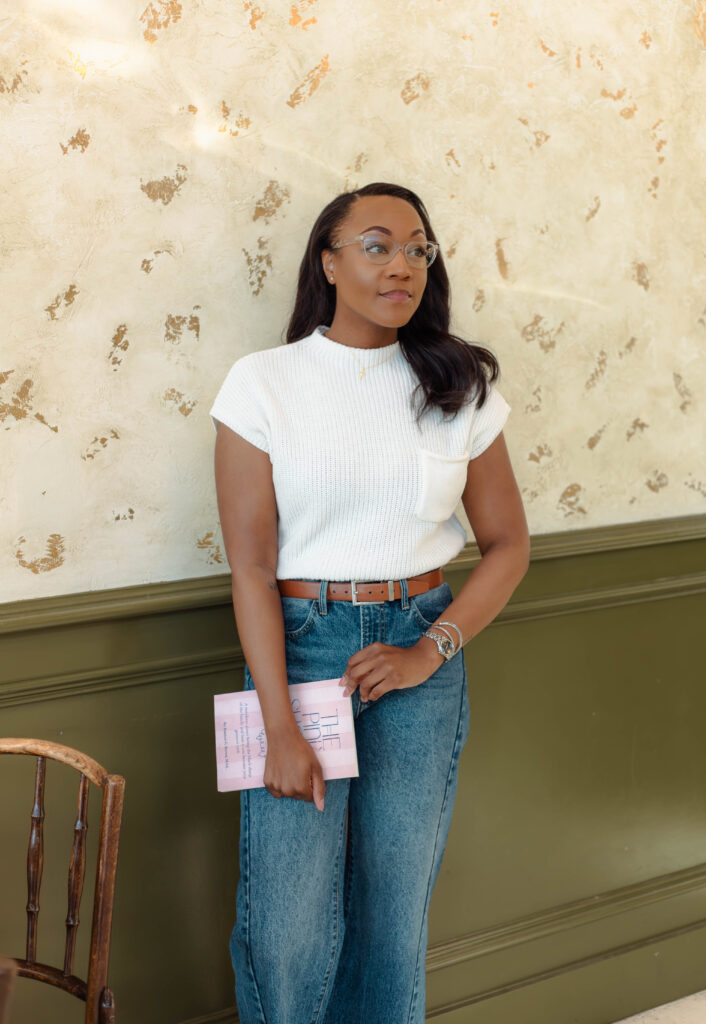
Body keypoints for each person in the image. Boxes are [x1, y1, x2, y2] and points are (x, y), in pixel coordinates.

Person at [210, 181, 530, 1024]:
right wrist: (277, 723)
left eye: (419, 248)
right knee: (285, 923)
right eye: (378, 244)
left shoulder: (458, 384)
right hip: (301, 647)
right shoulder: (263, 383)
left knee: (393, 914)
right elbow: (249, 569)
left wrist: (431, 650)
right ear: (328, 260)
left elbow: (509, 545)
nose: (403, 264)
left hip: (419, 649)